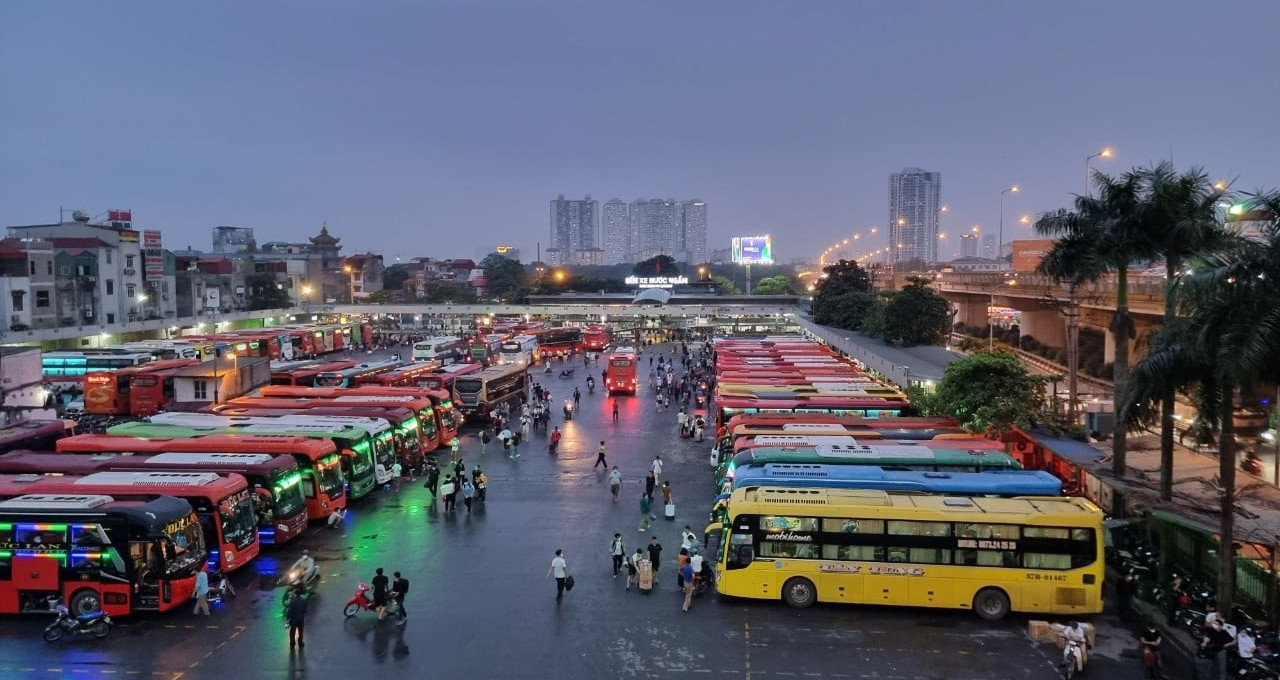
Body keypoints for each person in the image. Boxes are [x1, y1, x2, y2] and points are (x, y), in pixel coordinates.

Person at [285, 584, 308, 649]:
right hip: (301, 619)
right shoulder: (304, 601)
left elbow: (289, 612)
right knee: (301, 632)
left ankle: (292, 644)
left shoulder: (292, 601)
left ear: (295, 594)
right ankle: (300, 643)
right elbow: (305, 610)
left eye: (293, 593)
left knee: (292, 632)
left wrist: (287, 620)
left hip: (293, 620)